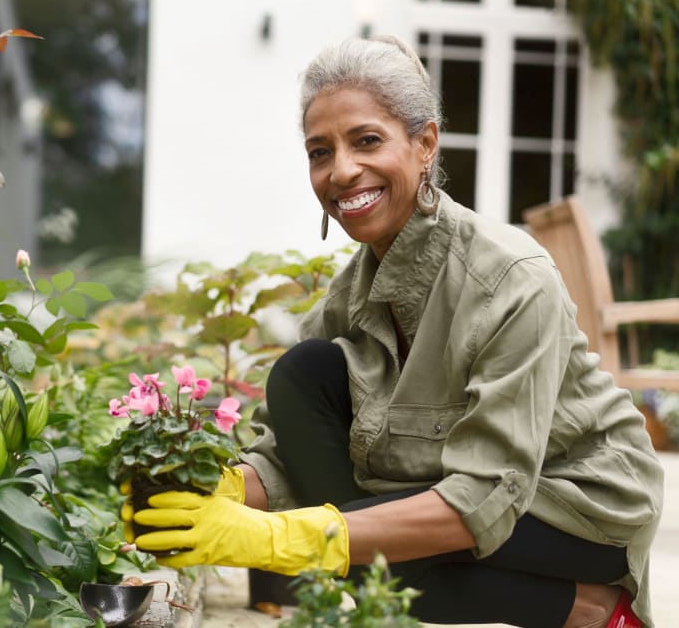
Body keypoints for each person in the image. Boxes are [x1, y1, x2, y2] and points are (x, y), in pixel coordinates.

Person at [126, 36, 664, 628]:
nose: (342, 170)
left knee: (392, 565)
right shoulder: (352, 290)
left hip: (576, 500)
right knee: (305, 373)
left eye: (367, 140)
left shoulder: (510, 277)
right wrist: (213, 492)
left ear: (425, 143)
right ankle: (570, 606)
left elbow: (485, 496)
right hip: (461, 488)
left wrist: (280, 538)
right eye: (319, 151)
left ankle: (597, 611)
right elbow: (287, 454)